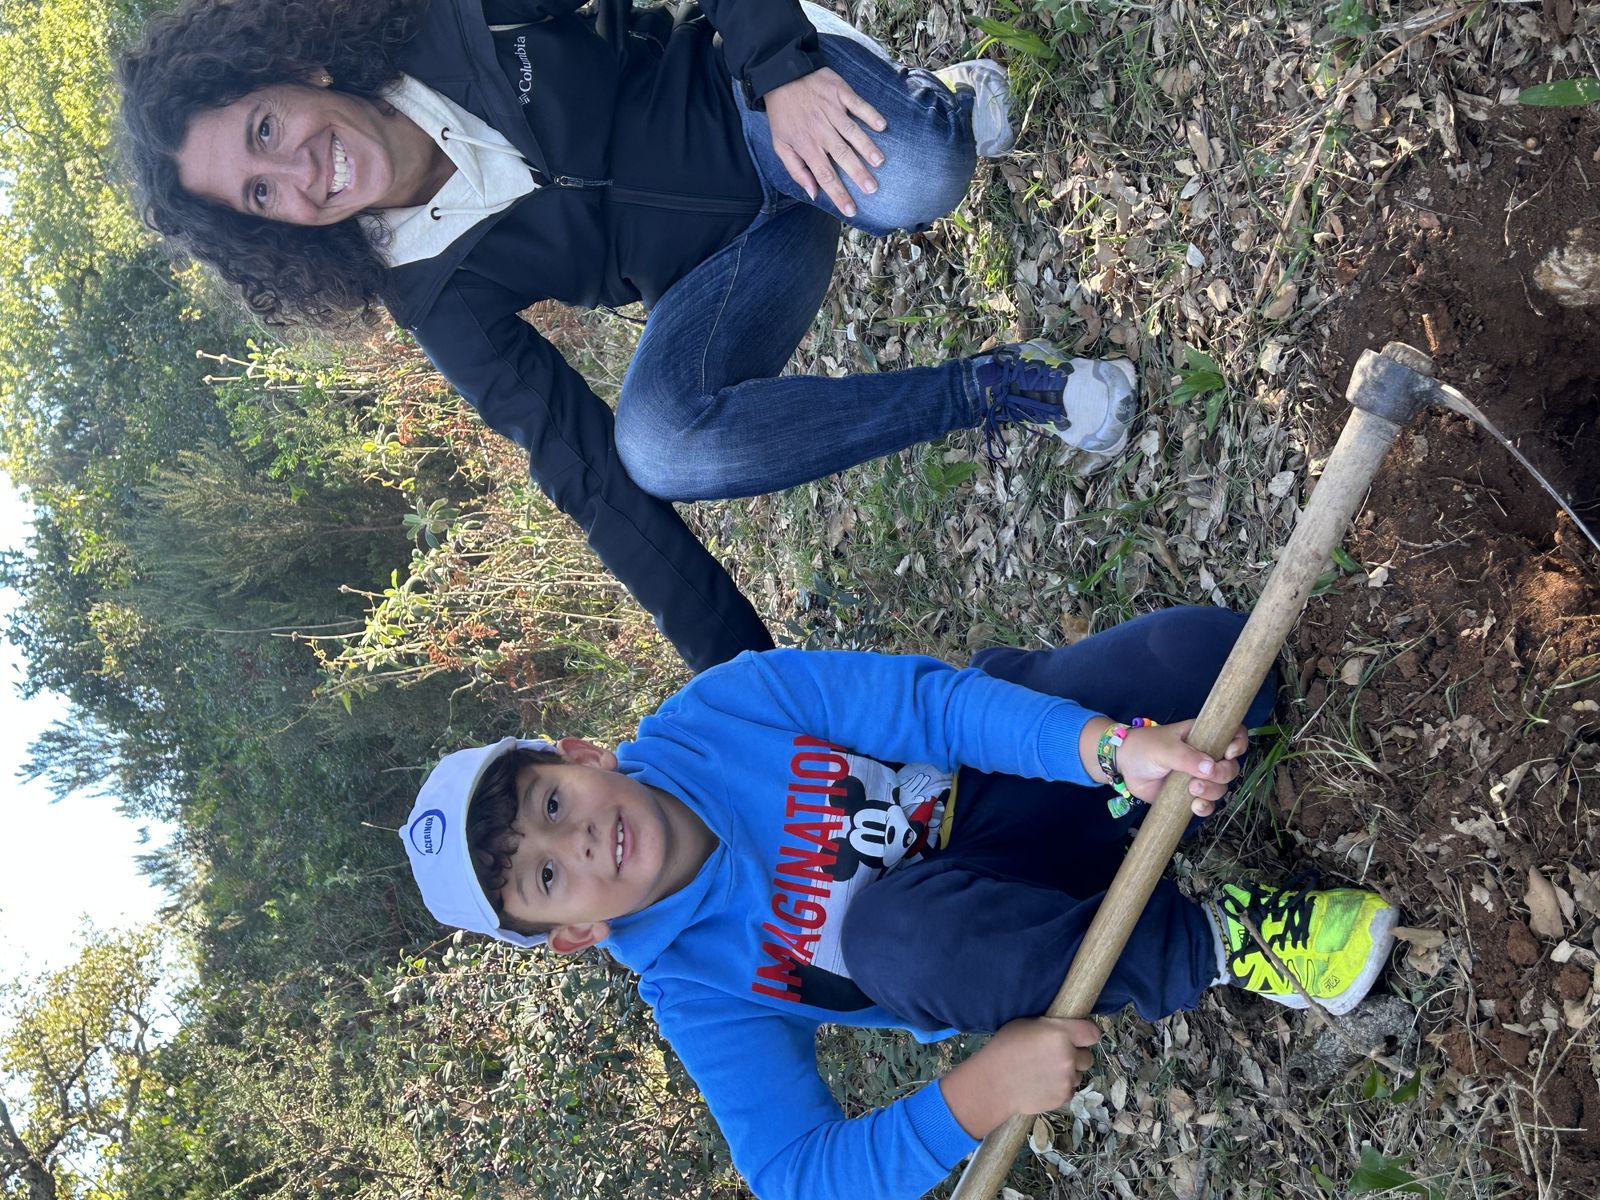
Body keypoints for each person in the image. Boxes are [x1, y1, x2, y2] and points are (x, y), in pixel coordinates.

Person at [118, 0, 1142, 674]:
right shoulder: (428, 292)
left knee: (920, 170)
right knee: (657, 448)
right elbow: (586, 475)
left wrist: (778, 65)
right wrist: (754, 686)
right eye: (260, 196)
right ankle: (997, 387)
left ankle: (930, 102)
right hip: (738, 266)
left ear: (293, 68)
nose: (298, 175)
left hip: (754, 105)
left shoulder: (459, 20)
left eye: (264, 131)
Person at [401, 606, 1400, 1199]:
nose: (574, 842)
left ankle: (1153, 786)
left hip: (1023, 785)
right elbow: (794, 1174)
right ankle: (1221, 940)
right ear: (575, 933)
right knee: (895, 940)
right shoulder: (696, 988)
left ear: (580, 755)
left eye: (550, 804)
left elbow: (932, 706)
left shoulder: (720, 710)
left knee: (1226, 659)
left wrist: (1106, 748)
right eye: (544, 879)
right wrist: (979, 1096)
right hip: (993, 941)